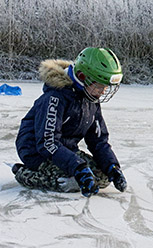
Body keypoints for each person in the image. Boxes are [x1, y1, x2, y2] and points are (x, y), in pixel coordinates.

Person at [11, 47, 128, 196]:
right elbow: (48, 143)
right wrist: (78, 168)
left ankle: (79, 174)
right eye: (99, 86)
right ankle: (24, 173)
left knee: (103, 178)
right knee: (73, 179)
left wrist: (112, 167)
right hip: (38, 152)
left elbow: (98, 140)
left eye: (105, 87)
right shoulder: (54, 98)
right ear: (82, 76)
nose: (103, 91)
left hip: (65, 148)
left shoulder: (90, 99)